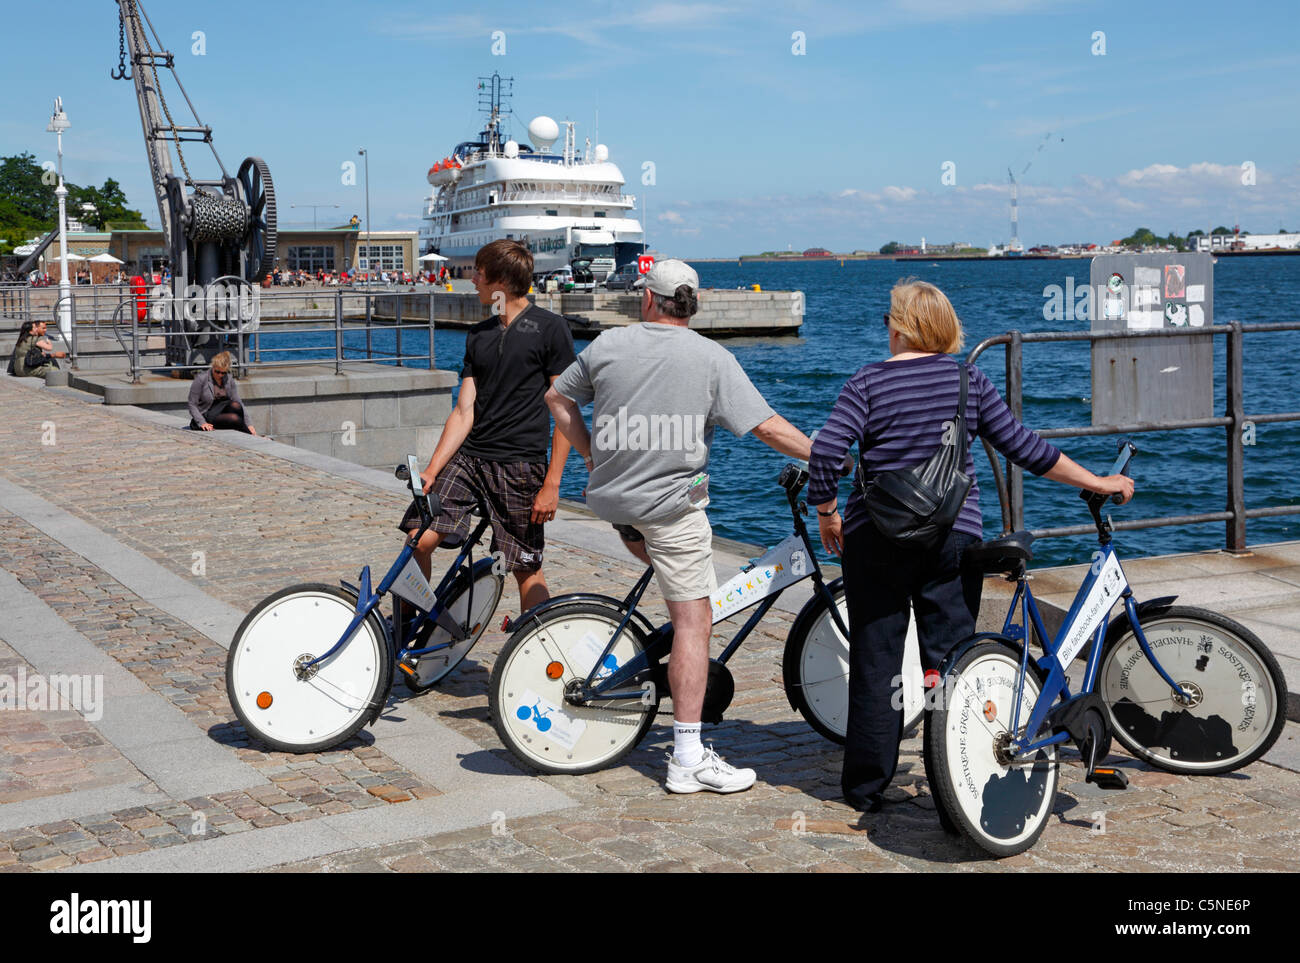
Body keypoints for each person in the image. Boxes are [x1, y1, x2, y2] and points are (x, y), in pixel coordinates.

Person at [807, 279, 1134, 814]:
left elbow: (825, 454)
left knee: (877, 660)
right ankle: (952, 782)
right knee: (950, 662)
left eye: (890, 318)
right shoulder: (968, 381)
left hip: (877, 540)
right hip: (952, 539)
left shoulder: (866, 382)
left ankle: (866, 788)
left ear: (899, 327)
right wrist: (1096, 481)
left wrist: (827, 512)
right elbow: (1026, 449)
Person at [546, 259, 812, 795]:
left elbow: (557, 396)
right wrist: (827, 454)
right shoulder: (712, 358)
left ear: (648, 299)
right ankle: (687, 757)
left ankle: (657, 661)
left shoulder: (607, 346)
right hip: (669, 511)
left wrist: (594, 456)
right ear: (690, 305)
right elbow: (766, 426)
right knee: (696, 621)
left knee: (678, 594)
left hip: (613, 502)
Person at [399, 238, 575, 617]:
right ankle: (410, 631)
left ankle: (535, 649)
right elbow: (464, 411)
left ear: (501, 280)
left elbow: (564, 410)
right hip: (469, 460)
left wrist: (552, 484)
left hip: (519, 467)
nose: (472, 279)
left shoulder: (551, 329)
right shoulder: (478, 334)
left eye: (479, 272)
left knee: (526, 569)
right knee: (417, 541)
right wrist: (432, 469)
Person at [187, 351, 257, 434]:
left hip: (221, 410)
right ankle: (251, 436)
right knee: (234, 418)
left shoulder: (229, 378)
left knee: (236, 405)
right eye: (217, 372)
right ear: (213, 367)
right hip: (206, 414)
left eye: (223, 373)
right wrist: (202, 422)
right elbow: (192, 404)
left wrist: (249, 424)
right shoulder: (201, 379)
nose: (220, 375)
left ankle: (250, 433)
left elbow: (238, 400)